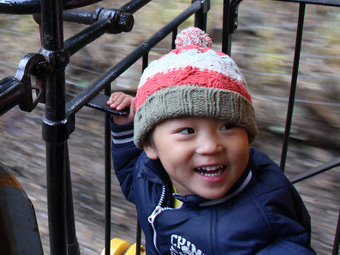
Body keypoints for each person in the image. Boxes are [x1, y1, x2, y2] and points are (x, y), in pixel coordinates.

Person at [107, 27, 314, 254]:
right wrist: (126, 126)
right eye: (187, 131)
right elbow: (132, 179)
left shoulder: (263, 216)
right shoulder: (151, 174)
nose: (210, 146)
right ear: (150, 145)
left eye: (227, 126)